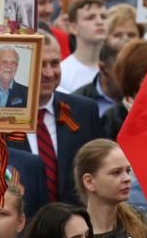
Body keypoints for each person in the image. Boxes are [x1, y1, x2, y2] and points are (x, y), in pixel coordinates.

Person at [9, 31, 104, 204]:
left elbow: (98, 169)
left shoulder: (84, 111)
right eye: (39, 64)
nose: (49, 73)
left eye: (54, 63)